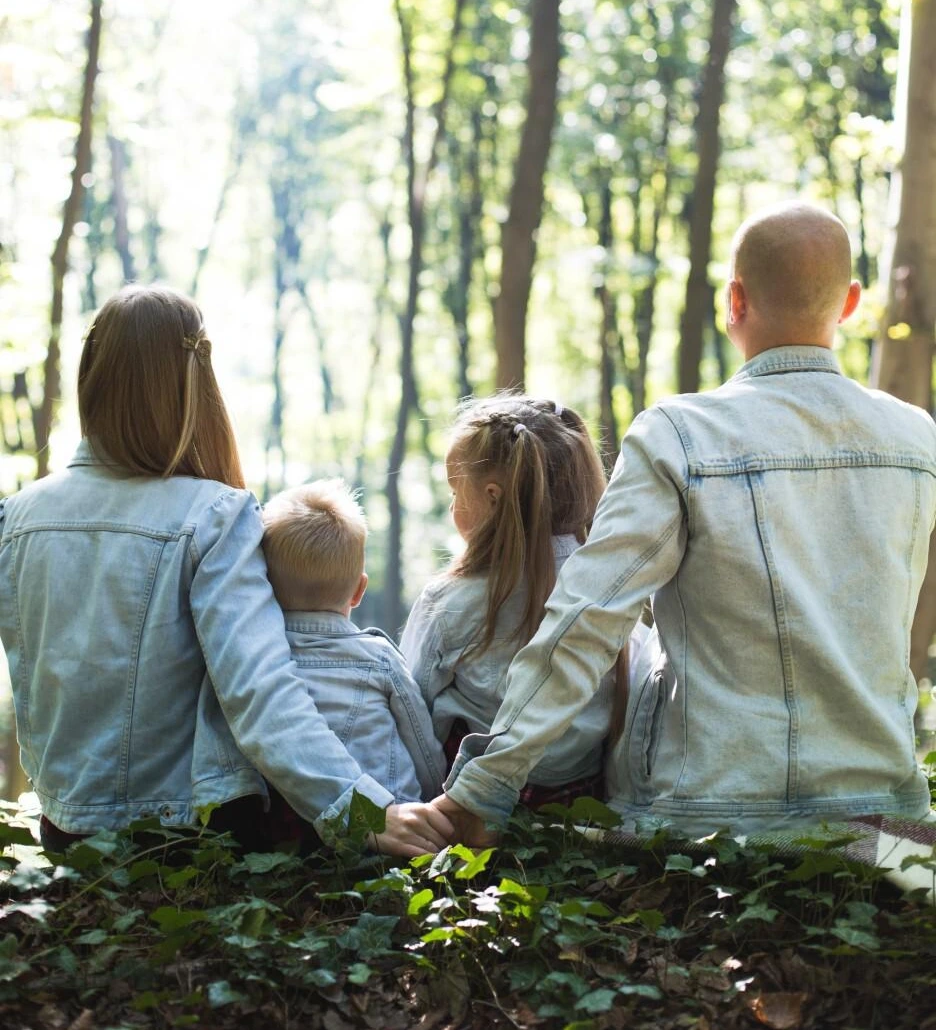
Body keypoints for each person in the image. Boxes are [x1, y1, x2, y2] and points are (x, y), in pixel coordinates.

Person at [433, 201, 936, 842]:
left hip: (707, 810)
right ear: (851, 303)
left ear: (734, 300)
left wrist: (486, 786)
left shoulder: (678, 435)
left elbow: (588, 618)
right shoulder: (916, 438)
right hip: (885, 810)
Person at [0, 284, 452, 856]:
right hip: (181, 838)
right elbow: (259, 692)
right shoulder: (214, 515)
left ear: (91, 376)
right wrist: (363, 813)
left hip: (65, 831)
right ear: (195, 386)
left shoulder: (16, 517)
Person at [400, 395, 652, 807]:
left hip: (467, 807)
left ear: (493, 497)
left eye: (455, 491)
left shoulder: (449, 602)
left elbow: (412, 713)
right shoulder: (613, 594)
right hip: (580, 806)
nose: (452, 505)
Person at [261, 478, 445, 804]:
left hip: (290, 820)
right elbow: (422, 747)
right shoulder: (379, 659)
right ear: (359, 591)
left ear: (264, 585)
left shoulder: (256, 660)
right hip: (389, 814)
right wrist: (434, 796)